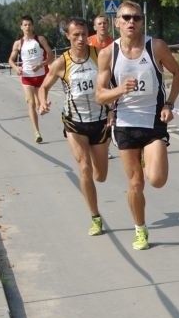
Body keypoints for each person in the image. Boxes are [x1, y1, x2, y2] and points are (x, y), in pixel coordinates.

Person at [96, 0, 179, 251]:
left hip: (153, 120)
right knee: (135, 183)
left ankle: (149, 157)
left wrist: (169, 104)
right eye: (126, 17)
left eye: (136, 17)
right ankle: (140, 229)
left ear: (142, 21)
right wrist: (120, 90)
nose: (131, 22)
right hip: (124, 123)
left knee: (156, 180)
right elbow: (99, 95)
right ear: (117, 22)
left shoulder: (155, 47)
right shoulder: (107, 54)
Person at [38, 17, 111, 236]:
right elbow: (44, 86)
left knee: (101, 175)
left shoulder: (99, 55)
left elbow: (114, 81)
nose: (80, 39)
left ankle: (96, 189)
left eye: (83, 34)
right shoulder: (62, 62)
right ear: (68, 36)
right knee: (84, 168)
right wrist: (42, 101)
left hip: (99, 121)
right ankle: (95, 217)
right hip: (74, 122)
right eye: (75, 35)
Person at [8, 15, 53, 143]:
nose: (27, 27)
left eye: (29, 24)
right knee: (30, 103)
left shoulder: (40, 39)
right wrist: (16, 68)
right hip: (27, 77)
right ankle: (36, 132)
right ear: (21, 27)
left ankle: (42, 106)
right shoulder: (18, 43)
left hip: (41, 76)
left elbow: (50, 56)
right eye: (25, 25)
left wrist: (40, 64)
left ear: (33, 26)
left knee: (42, 106)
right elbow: (10, 60)